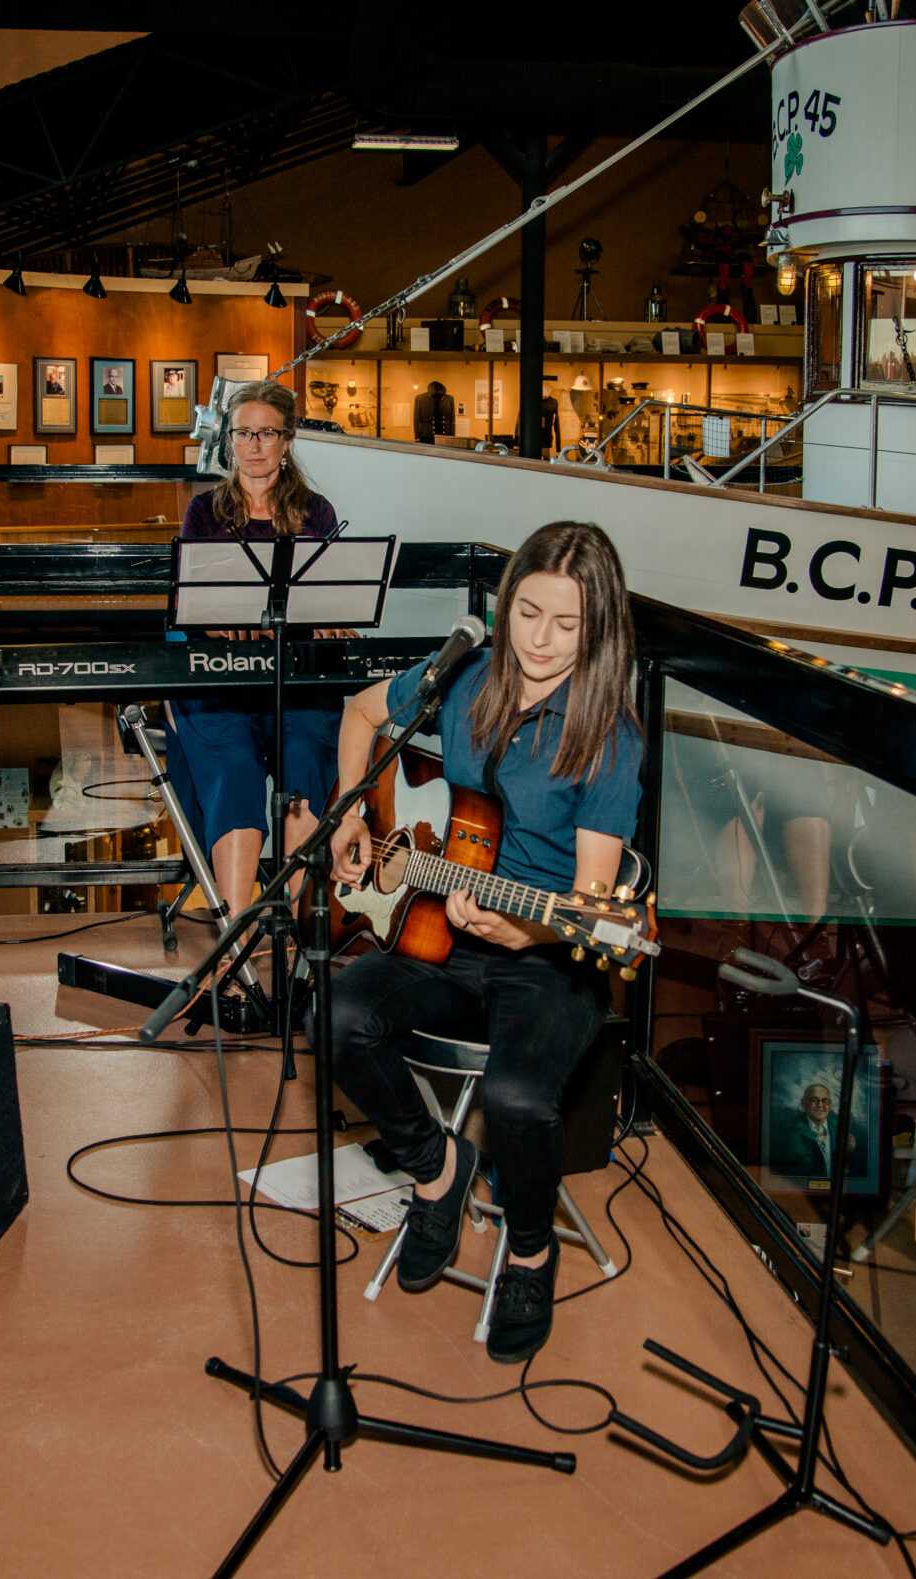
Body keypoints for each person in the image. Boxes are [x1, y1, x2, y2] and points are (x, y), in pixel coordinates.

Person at [326, 520, 642, 1363]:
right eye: (526, 613)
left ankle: (530, 1253)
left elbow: (590, 904)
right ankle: (436, 1172)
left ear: (598, 629)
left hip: (549, 956)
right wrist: (353, 810)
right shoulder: (465, 677)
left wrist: (524, 923)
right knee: (339, 1014)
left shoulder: (610, 739)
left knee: (515, 1099)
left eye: (565, 624)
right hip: (444, 928)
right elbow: (360, 712)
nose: (538, 641)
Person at [163, 382, 343, 933]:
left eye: (267, 433)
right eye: (244, 433)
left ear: (286, 440)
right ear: (230, 440)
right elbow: (188, 599)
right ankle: (235, 930)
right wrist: (209, 615)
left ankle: (291, 923)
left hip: (294, 673)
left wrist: (332, 617)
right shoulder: (205, 510)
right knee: (233, 766)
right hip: (223, 675)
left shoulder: (315, 511)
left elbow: (331, 598)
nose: (254, 445)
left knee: (306, 754)